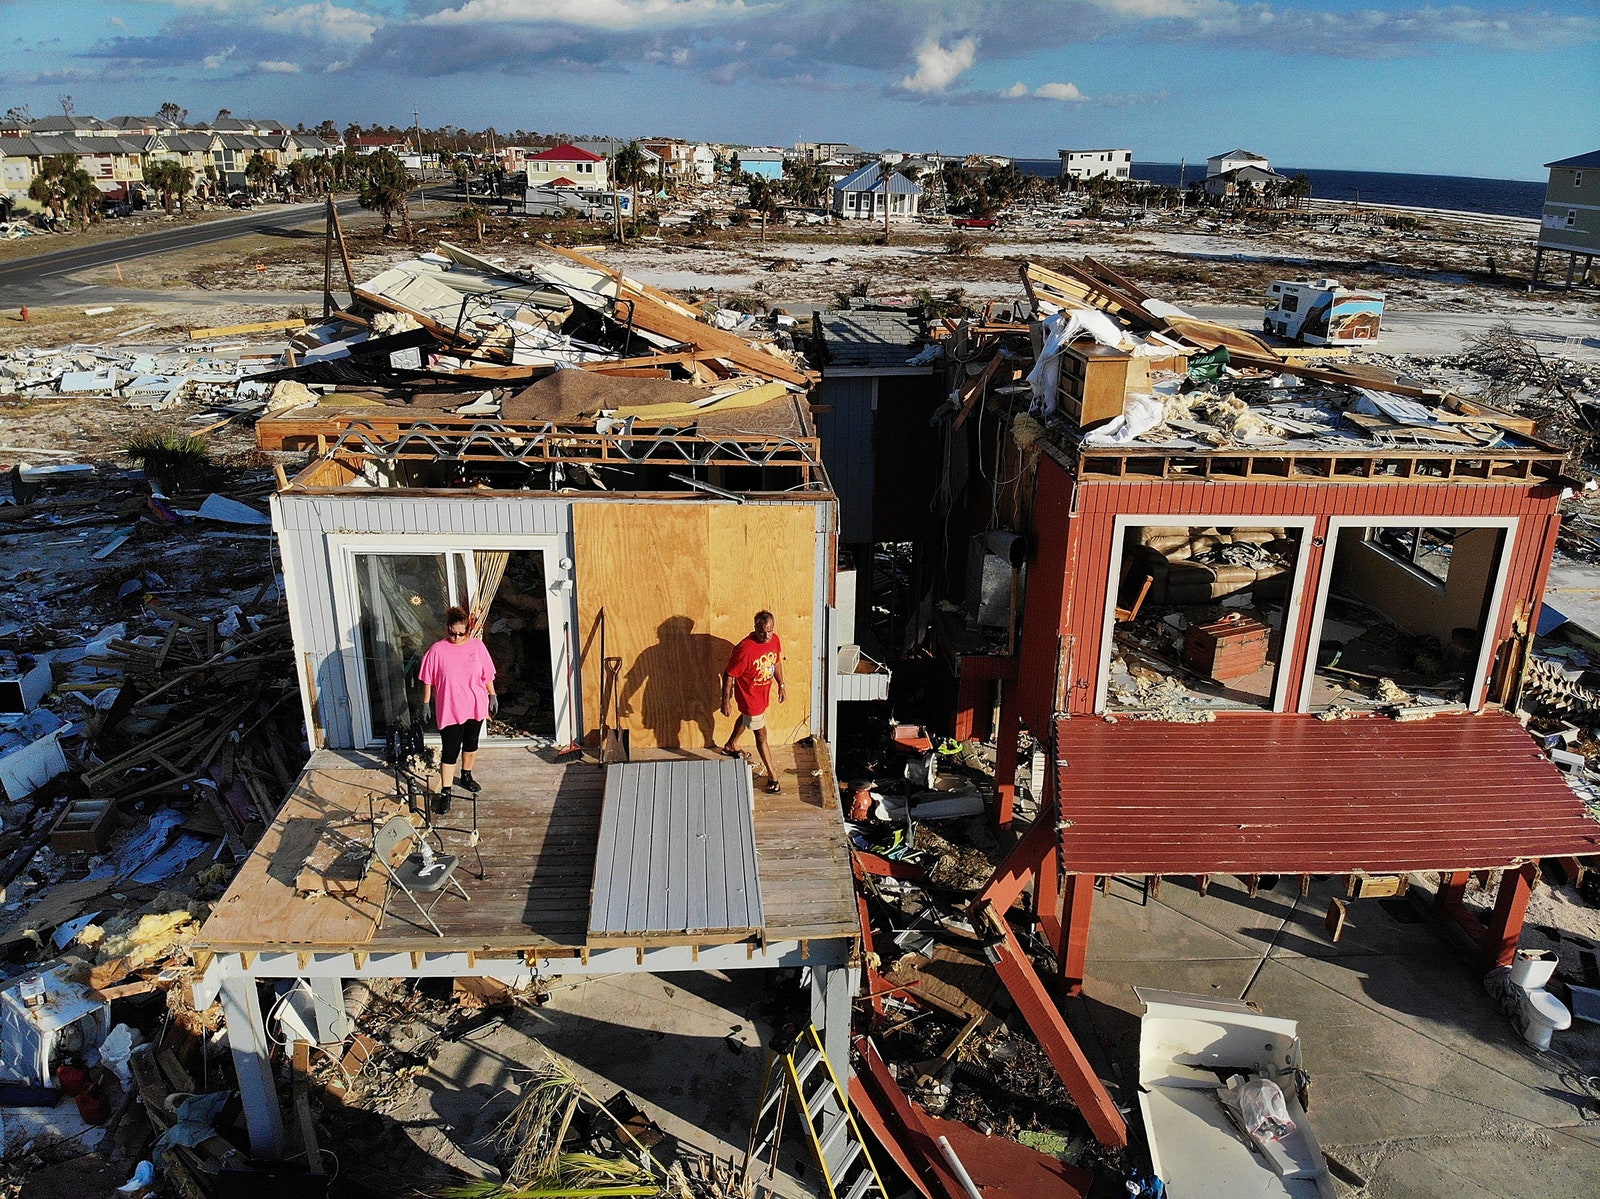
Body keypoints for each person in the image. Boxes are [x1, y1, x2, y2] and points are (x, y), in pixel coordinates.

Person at [418, 606, 498, 814]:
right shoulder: (437, 650)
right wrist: (426, 702)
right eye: (452, 633)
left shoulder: (478, 647)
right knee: (450, 749)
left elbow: (486, 675)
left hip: (474, 703)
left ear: (468, 631)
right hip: (449, 707)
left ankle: (467, 775)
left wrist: (492, 695)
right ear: (447, 629)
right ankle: (446, 791)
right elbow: (428, 679)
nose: (456, 637)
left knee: (471, 743)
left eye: (461, 633)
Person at [720, 610, 786, 794]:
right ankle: (773, 777)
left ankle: (731, 744)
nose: (767, 636)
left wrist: (782, 684)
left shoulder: (774, 640)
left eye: (770, 631)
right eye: (763, 631)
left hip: (762, 694)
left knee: (747, 718)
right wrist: (725, 700)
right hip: (750, 697)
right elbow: (729, 674)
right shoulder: (744, 649)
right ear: (755, 627)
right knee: (761, 735)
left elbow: (776, 662)